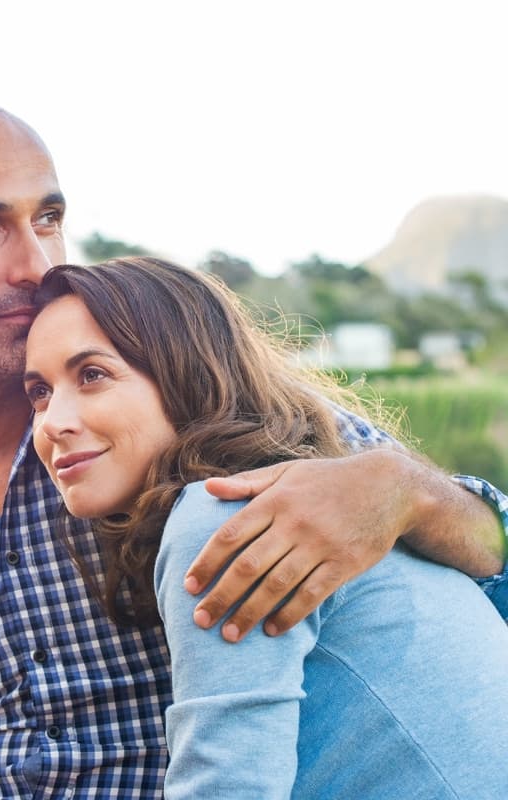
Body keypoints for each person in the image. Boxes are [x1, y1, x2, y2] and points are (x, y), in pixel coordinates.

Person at [0, 93, 508, 798]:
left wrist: (404, 491)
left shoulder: (216, 431)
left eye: (50, 219)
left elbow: (489, 564)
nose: (34, 263)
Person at [25, 256, 508, 799]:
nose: (52, 422)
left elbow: (227, 788)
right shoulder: (304, 485)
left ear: (184, 373)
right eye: (39, 391)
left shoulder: (227, 513)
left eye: (92, 375)